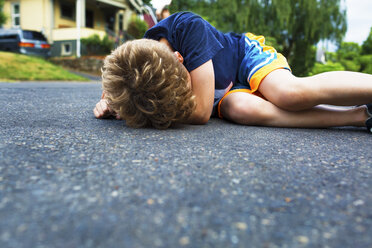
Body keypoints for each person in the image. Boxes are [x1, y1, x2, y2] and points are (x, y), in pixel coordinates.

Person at [93, 11, 372, 132]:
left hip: (244, 58)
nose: (184, 94)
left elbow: (201, 112)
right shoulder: (135, 65)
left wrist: (143, 112)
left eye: (182, 86)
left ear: (180, 58)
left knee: (288, 94)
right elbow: (115, 81)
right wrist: (112, 100)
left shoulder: (188, 28)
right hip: (228, 95)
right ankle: (362, 116)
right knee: (246, 111)